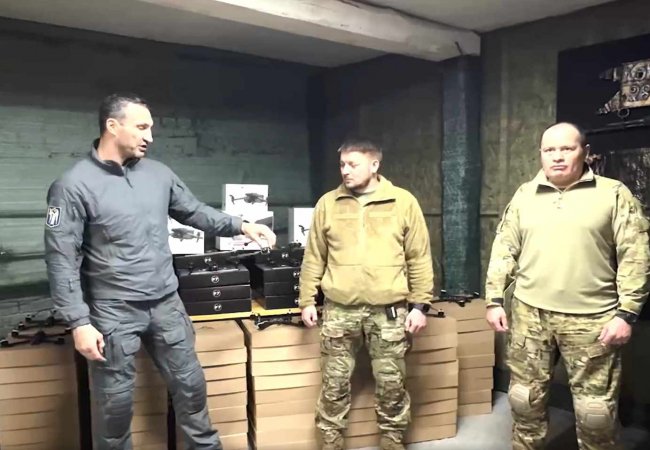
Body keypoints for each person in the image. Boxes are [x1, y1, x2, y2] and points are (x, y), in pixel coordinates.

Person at [44, 93, 276, 450]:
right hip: (113, 310)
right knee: (114, 406)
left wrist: (242, 225)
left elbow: (194, 211)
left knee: (191, 387)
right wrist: (78, 322)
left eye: (150, 128)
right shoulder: (73, 185)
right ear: (112, 126)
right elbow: (61, 258)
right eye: (142, 127)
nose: (150, 136)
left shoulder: (158, 174)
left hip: (166, 303)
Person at [485, 122, 650, 450]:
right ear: (541, 154)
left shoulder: (613, 194)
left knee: (595, 413)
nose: (557, 157)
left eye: (566, 148)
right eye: (549, 150)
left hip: (592, 320)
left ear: (585, 152)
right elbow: (504, 249)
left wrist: (627, 313)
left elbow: (636, 255)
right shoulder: (525, 195)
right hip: (530, 315)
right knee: (524, 399)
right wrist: (493, 299)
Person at [299, 138, 434, 450]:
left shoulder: (402, 202)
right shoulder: (328, 204)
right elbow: (314, 256)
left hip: (388, 312)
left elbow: (419, 257)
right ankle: (331, 444)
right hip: (339, 311)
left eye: (353, 164)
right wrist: (307, 299)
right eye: (342, 165)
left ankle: (393, 442)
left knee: (392, 384)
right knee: (333, 385)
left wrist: (420, 305)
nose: (345, 171)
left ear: (374, 165)